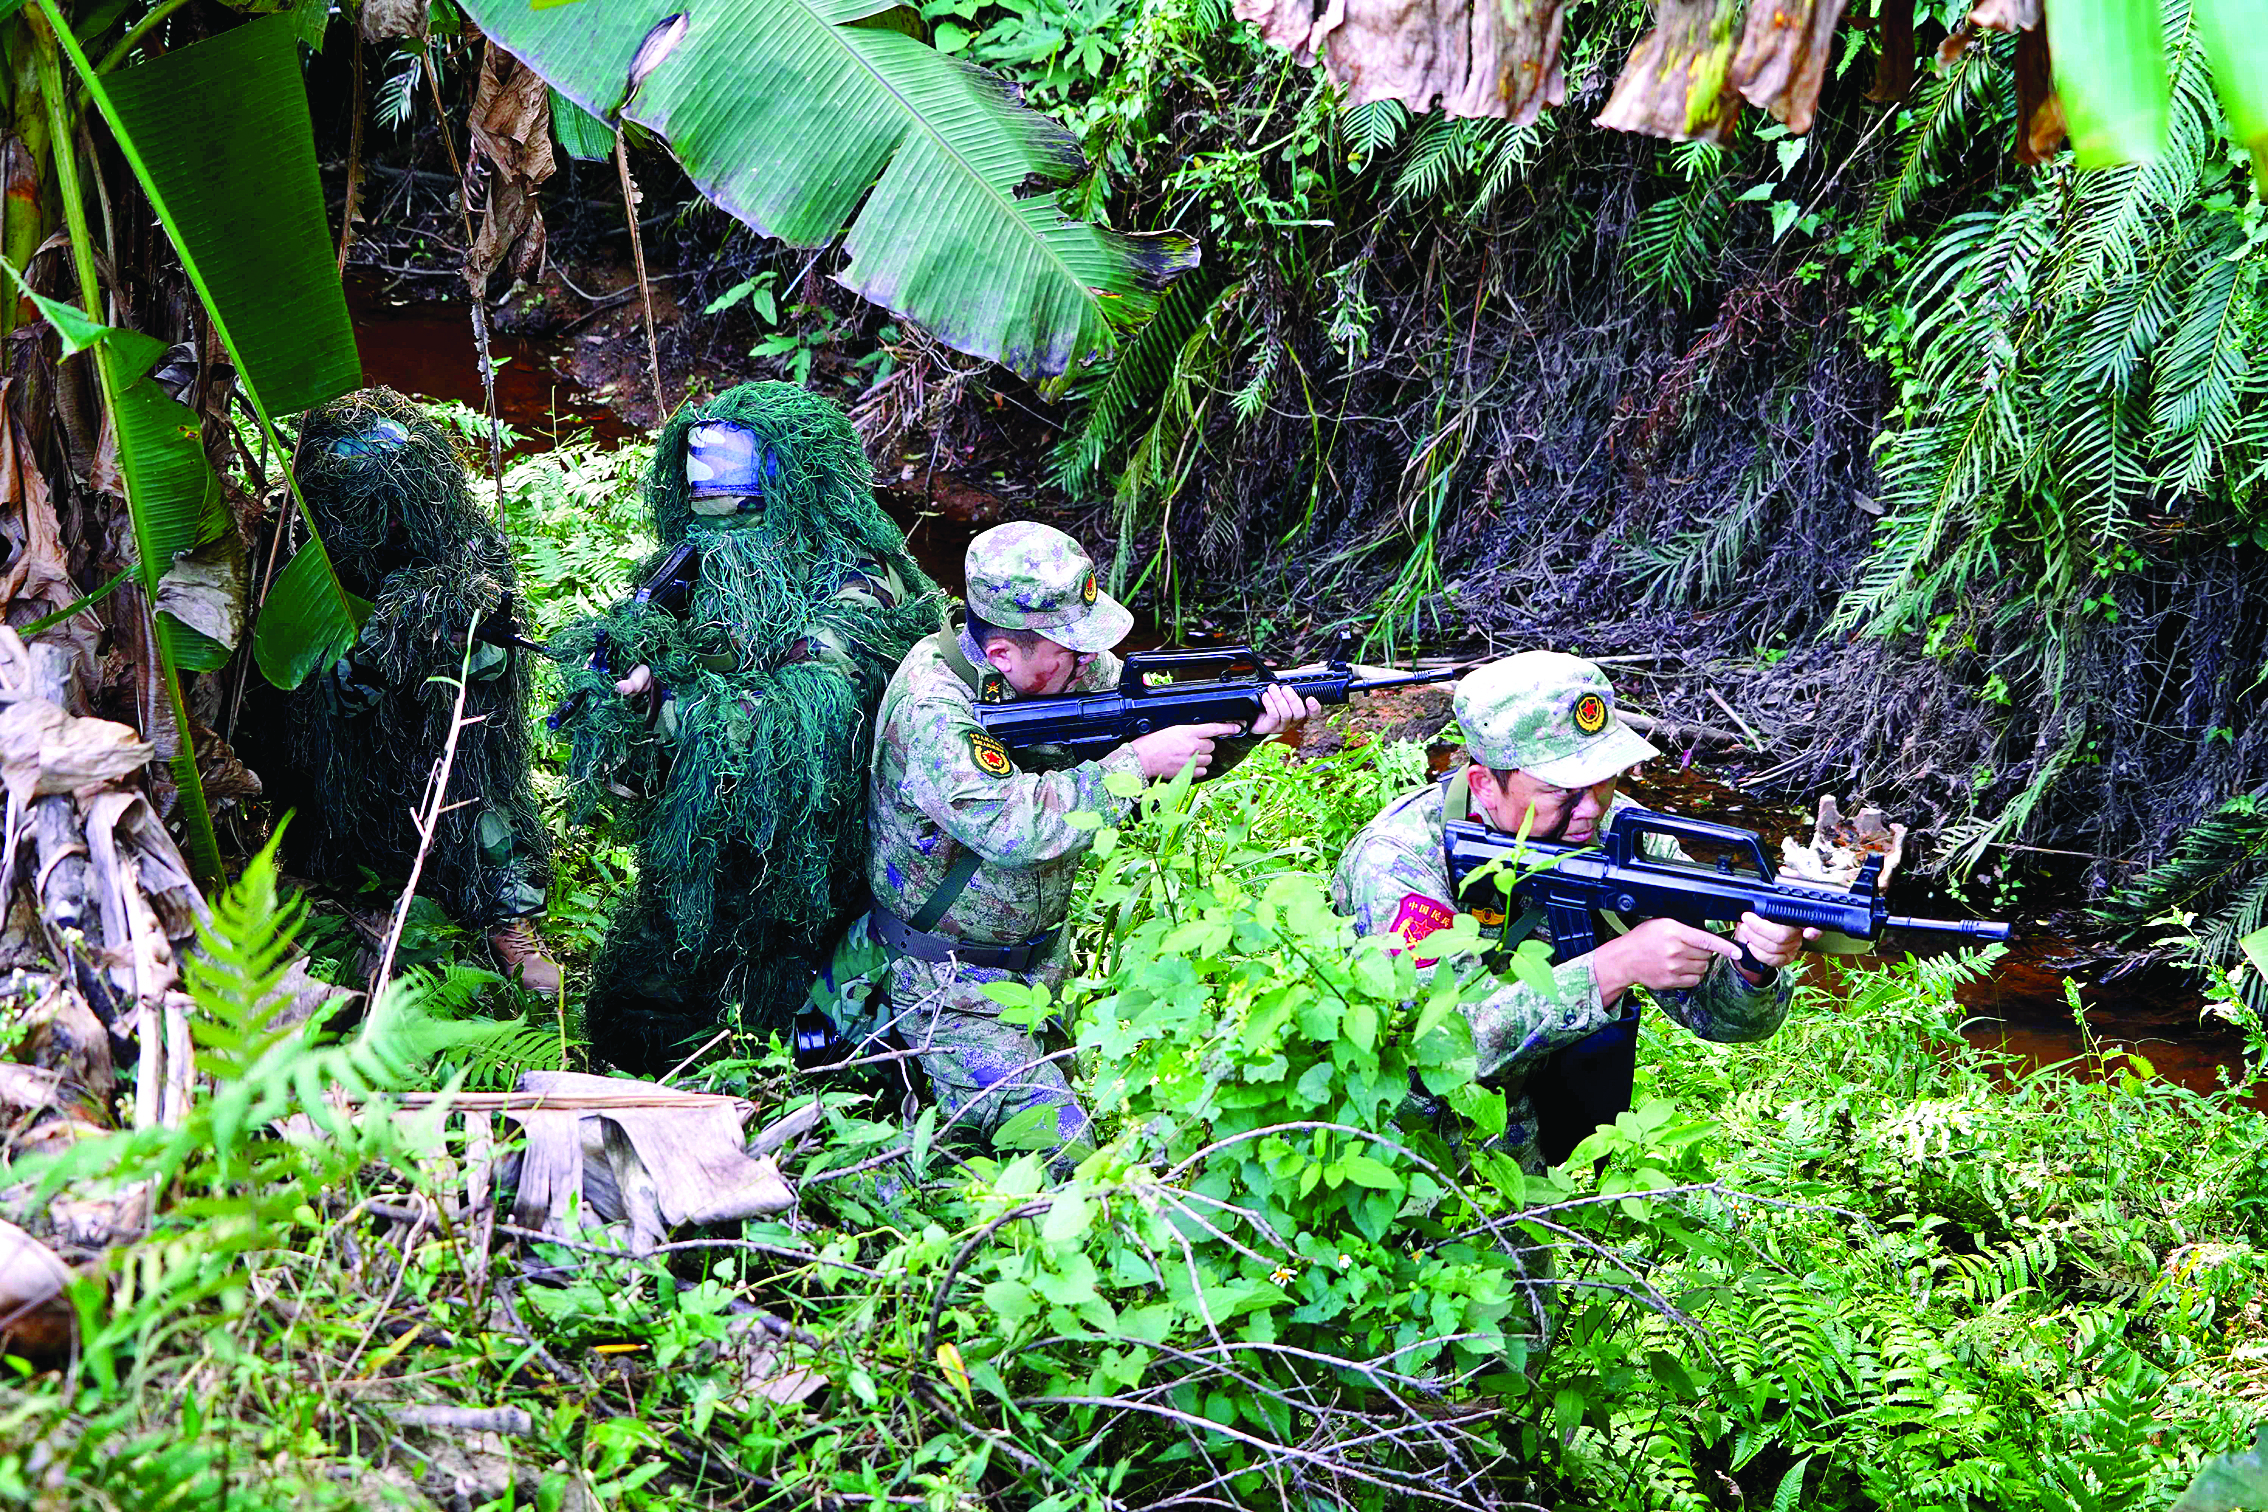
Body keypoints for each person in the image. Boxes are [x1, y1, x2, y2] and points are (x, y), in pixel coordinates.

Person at [858, 522, 1318, 1162]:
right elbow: (1014, 826)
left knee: (1089, 1125)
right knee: (1075, 1156)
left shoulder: (1066, 668)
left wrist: (1242, 725)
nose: (1088, 662)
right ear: (1003, 655)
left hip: (1043, 973)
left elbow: (1156, 735)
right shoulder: (932, 707)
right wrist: (1135, 762)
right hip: (949, 986)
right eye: (1070, 649)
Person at [552, 382, 946, 1071]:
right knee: (636, 1027)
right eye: (704, 519)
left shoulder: (862, 582)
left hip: (826, 859)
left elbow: (805, 712)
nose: (720, 544)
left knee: (824, 1053)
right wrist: (629, 685)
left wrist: (669, 708)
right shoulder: (700, 570)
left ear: (798, 500)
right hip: (714, 852)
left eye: (743, 521)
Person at [1331, 651, 1813, 1170]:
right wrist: (1613, 967)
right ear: (1484, 784)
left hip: (1529, 1146)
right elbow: (1447, 1048)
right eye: (1560, 790)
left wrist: (1752, 963)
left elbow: (1722, 1018)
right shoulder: (1400, 861)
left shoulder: (1620, 832)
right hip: (1406, 1154)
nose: (1591, 809)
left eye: (1602, 779)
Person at [261, 388, 559, 993]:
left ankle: (508, 916)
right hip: (353, 753)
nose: (392, 521)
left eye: (402, 501)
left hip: (445, 731)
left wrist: (427, 626)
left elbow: (492, 655)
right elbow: (316, 682)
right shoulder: (302, 548)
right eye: (372, 506)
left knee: (483, 795)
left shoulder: (458, 541)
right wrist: (372, 656)